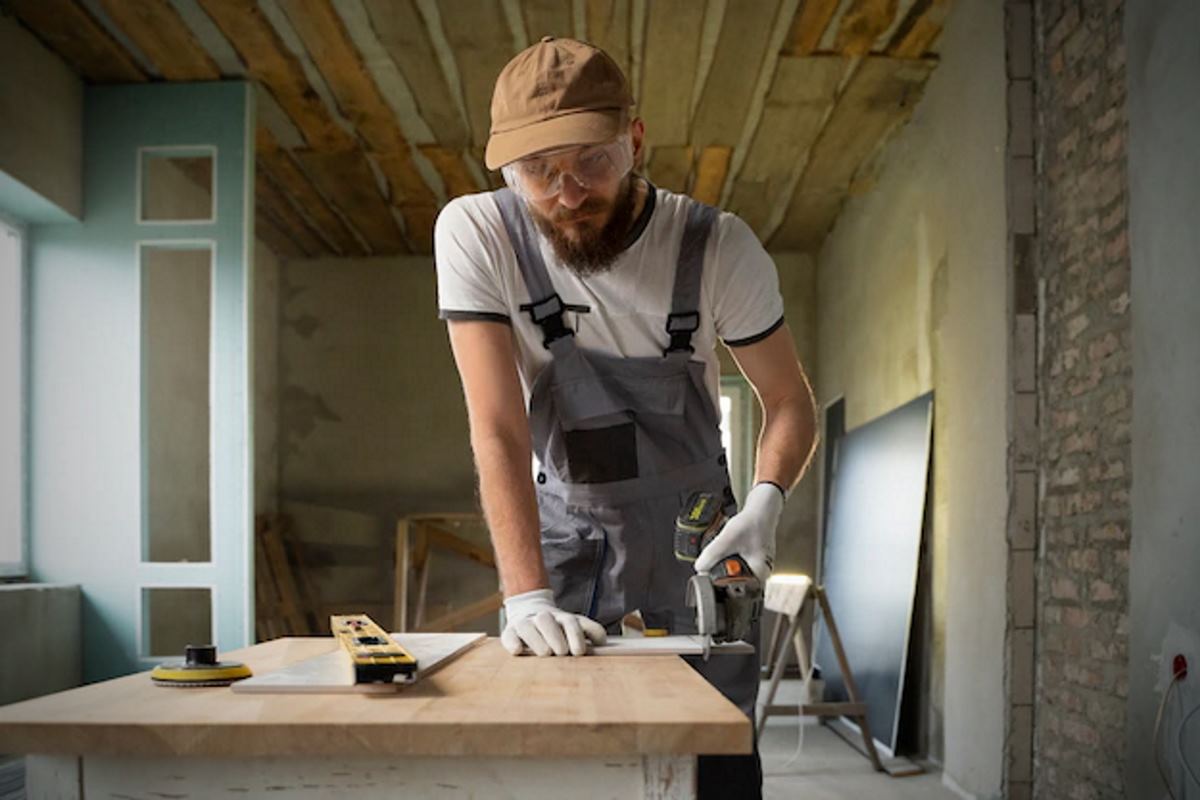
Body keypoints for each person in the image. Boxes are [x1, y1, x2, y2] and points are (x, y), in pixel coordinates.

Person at [435, 36, 817, 797]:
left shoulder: (717, 246)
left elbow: (788, 402)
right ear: (505, 170)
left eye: (592, 162)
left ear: (635, 141)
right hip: (565, 544)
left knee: (716, 762)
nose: (568, 192)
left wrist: (768, 502)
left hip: (699, 551)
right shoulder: (478, 233)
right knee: (560, 762)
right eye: (538, 173)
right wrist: (526, 595)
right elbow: (499, 429)